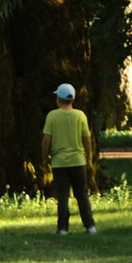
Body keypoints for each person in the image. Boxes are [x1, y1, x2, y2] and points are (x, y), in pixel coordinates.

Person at [41, 80, 97, 236]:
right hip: (78, 161)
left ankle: (63, 228)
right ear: (72, 100)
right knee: (82, 194)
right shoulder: (80, 116)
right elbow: (86, 139)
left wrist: (45, 158)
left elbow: (46, 139)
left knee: (63, 196)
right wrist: (89, 157)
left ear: (58, 99)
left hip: (59, 163)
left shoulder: (52, 116)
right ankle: (90, 226)